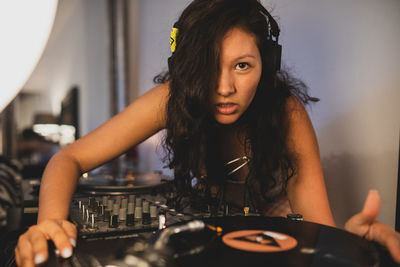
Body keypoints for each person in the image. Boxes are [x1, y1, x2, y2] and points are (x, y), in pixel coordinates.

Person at [14, 0, 400, 266]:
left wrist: (351, 244)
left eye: (243, 66)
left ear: (267, 63)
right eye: (208, 66)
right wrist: (48, 222)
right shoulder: (170, 99)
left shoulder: (286, 113)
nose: (224, 87)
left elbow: (320, 228)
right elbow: (69, 157)